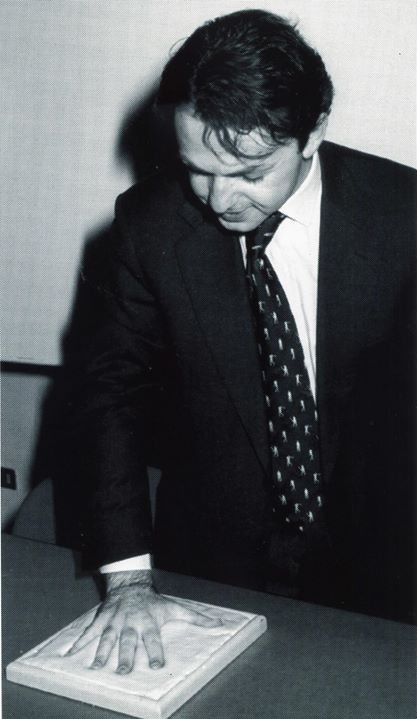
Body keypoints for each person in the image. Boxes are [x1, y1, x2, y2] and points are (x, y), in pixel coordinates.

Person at [65, 10, 415, 675]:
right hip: (211, 565)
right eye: (197, 169)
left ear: (313, 131)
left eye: (249, 172)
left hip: (386, 564)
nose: (219, 199)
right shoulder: (148, 225)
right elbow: (110, 396)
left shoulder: (402, 214)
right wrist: (130, 581)